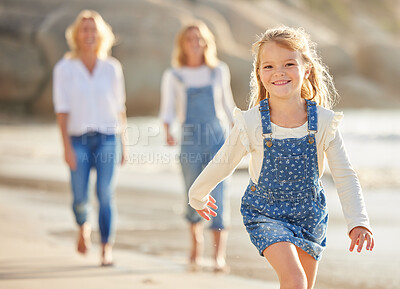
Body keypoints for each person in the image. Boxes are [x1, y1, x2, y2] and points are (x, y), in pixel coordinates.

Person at [189, 26, 374, 289]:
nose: (279, 72)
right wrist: (197, 193)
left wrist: (358, 222)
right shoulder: (251, 122)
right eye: (268, 66)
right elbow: (224, 161)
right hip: (266, 212)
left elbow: (344, 174)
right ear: (259, 74)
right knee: (295, 281)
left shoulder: (323, 121)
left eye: (289, 64)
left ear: (306, 69)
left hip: (310, 215)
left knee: (303, 286)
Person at [160, 21, 236, 272]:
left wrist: (240, 129)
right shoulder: (174, 74)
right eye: (190, 39)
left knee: (219, 192)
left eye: (200, 38)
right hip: (189, 137)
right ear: (182, 44)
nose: (195, 43)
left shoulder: (219, 71)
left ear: (207, 42)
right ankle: (195, 245)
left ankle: (218, 256)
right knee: (192, 191)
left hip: (217, 137)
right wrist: (167, 130)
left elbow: (228, 105)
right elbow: (167, 108)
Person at [53, 10, 127, 266]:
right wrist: (65, 147)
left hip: (109, 137)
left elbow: (120, 109)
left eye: (93, 29)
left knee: (105, 194)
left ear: (101, 34)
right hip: (78, 140)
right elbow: (62, 110)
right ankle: (82, 225)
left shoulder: (112, 68)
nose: (89, 34)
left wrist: (123, 145)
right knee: (80, 197)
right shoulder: (64, 68)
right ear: (76, 34)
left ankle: (106, 248)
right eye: (84, 29)